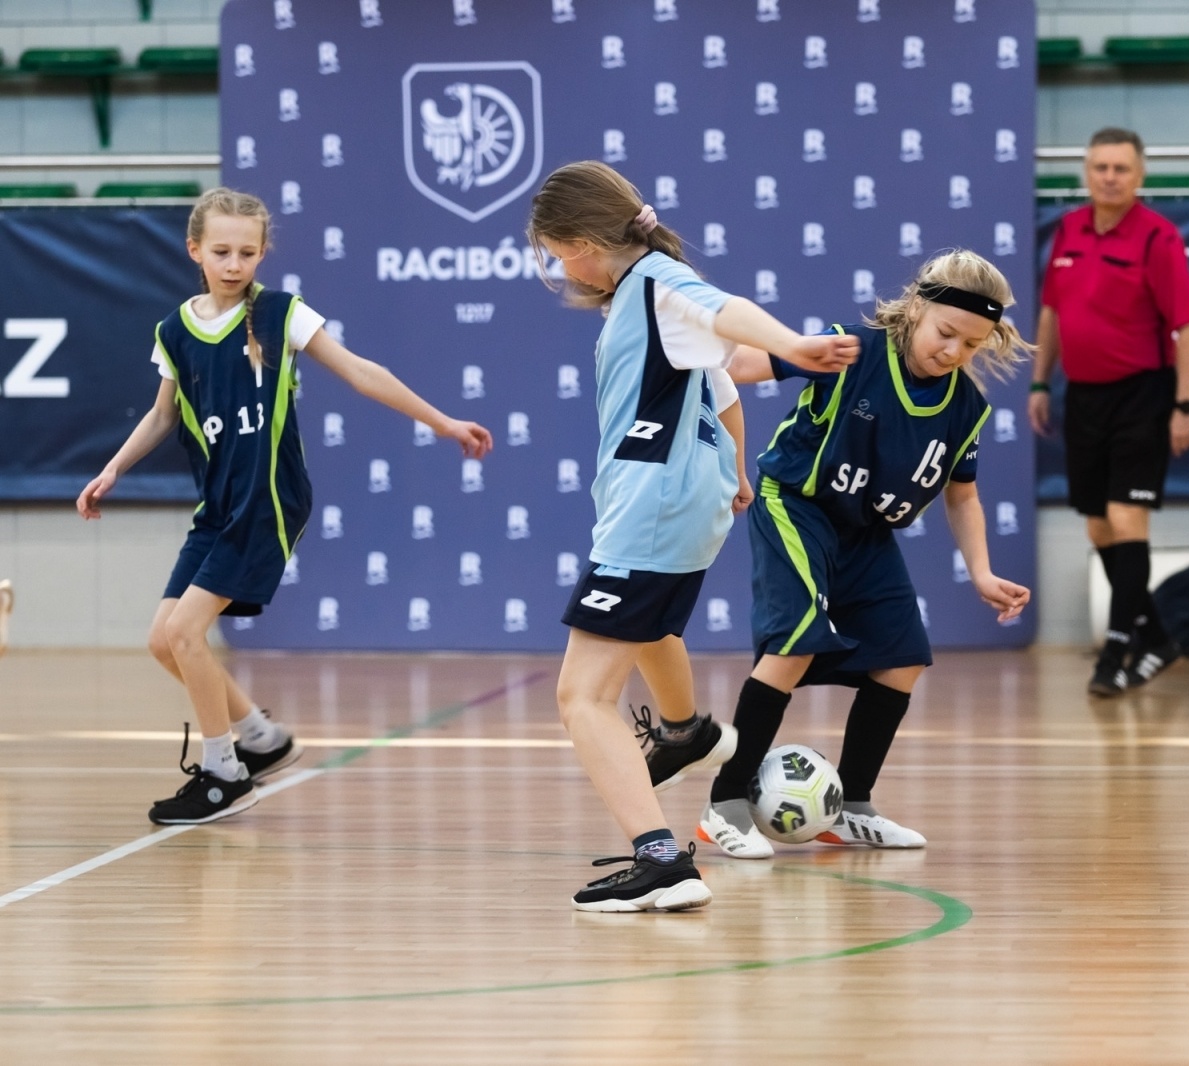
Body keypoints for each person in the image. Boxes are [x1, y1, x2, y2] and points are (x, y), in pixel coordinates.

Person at [76, 187, 492, 825]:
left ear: (263, 252)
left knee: (188, 632)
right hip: (218, 505)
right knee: (164, 641)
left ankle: (222, 772)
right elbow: (162, 415)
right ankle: (261, 739)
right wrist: (111, 469)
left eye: (247, 251)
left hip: (268, 499)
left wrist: (442, 422)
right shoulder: (173, 331)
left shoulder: (280, 314)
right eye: (221, 251)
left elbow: (359, 371)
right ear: (195, 250)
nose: (235, 263)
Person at [527, 162, 858, 910]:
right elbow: (727, 374)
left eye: (555, 252)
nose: (557, 268)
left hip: (652, 498)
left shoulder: (653, 283)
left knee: (581, 696)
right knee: (645, 628)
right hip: (680, 499)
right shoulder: (646, 300)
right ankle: (683, 730)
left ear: (581, 243)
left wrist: (796, 345)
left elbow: (727, 310)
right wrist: (739, 464)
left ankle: (660, 862)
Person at [690, 250, 1032, 859]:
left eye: (971, 344)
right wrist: (717, 348)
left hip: (866, 532)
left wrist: (981, 571)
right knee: (794, 645)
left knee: (901, 659)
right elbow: (740, 365)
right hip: (796, 504)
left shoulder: (965, 409)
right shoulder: (853, 347)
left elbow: (964, 495)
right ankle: (725, 804)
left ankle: (852, 807)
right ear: (917, 310)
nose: (954, 351)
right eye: (945, 332)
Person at [1029, 127, 1189, 697]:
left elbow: (1188, 327)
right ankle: (1156, 636)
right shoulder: (1069, 229)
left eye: (1121, 168)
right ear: (1086, 170)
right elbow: (1053, 314)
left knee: (1128, 519)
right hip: (1084, 396)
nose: (1109, 177)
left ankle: (1117, 649)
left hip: (1143, 395)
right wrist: (1039, 381)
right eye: (1100, 167)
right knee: (1100, 524)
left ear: (1139, 175)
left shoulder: (1160, 238)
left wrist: (1184, 402)